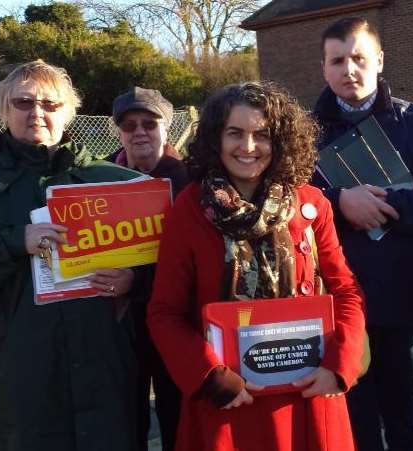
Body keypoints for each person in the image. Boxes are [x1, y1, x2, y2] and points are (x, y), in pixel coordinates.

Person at [147, 81, 366, 451]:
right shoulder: (188, 210)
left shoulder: (312, 205)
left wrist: (339, 367)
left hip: (308, 396)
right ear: (217, 138)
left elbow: (345, 291)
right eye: (235, 133)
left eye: (261, 135)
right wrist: (209, 377)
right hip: (229, 401)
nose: (248, 147)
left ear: (280, 141)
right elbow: (164, 312)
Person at [311, 17, 413, 451]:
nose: (349, 70)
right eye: (337, 60)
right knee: (350, 431)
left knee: (409, 430)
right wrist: (339, 202)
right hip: (335, 307)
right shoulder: (301, 135)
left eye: (359, 58)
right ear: (324, 68)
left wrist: (388, 206)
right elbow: (286, 202)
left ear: (379, 61)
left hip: (405, 305)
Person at [0, 59, 141, 450]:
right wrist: (13, 241)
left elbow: (163, 266)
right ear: (3, 111)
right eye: (24, 103)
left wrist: (133, 280)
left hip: (102, 366)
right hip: (17, 372)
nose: (37, 113)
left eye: (50, 104)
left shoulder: (111, 182)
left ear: (69, 112)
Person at [110, 86, 187, 451]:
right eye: (129, 125)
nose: (139, 131)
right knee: (126, 414)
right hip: (121, 320)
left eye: (149, 123)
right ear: (118, 131)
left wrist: (137, 280)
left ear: (166, 127)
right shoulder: (100, 178)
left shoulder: (190, 179)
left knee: (177, 411)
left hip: (176, 316)